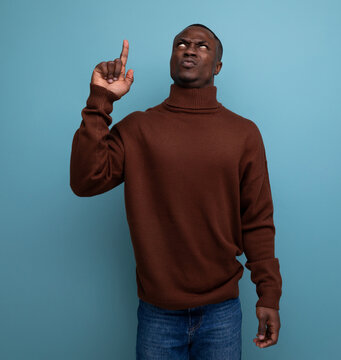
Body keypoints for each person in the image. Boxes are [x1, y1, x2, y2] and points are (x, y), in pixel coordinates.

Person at [70, 23, 283, 359]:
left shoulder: (243, 134)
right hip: (157, 311)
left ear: (217, 67)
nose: (189, 49)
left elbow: (256, 219)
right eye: (181, 43)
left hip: (221, 311)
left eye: (202, 46)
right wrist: (101, 98)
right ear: (172, 57)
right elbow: (85, 180)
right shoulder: (140, 128)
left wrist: (268, 294)